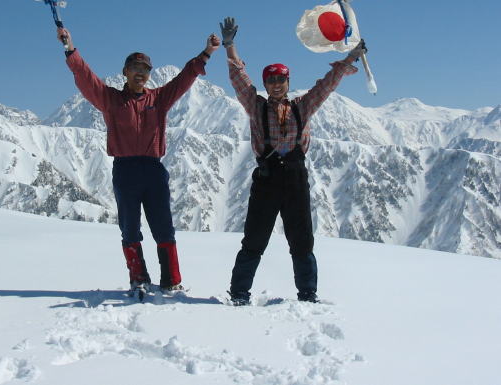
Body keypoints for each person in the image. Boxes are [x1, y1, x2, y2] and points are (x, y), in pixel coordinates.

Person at [57, 26, 221, 293]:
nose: (140, 73)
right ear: (125, 72)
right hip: (125, 171)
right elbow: (86, 78)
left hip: (154, 170)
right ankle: (139, 279)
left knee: (164, 228)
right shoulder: (110, 99)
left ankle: (171, 281)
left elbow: (184, 78)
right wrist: (70, 49)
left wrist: (206, 53)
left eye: (145, 69)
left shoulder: (159, 98)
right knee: (130, 228)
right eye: (135, 68)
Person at [219, 17, 366, 305]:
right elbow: (239, 79)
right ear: (265, 84)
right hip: (267, 178)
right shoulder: (256, 106)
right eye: (271, 80)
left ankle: (308, 294)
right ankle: (239, 293)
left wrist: (352, 56)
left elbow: (327, 84)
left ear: (288, 82)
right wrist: (229, 45)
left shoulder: (303, 106)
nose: (276, 85)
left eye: (280, 80)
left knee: (302, 241)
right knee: (254, 240)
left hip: (296, 179)